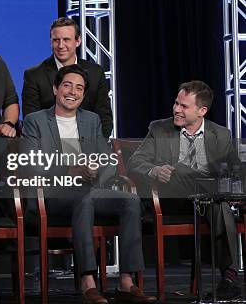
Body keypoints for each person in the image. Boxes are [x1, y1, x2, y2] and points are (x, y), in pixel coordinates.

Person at [21, 64, 155, 304]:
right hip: (51, 195)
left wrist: (96, 173)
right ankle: (88, 280)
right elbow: (30, 163)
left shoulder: (91, 120)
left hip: (88, 190)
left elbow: (107, 160)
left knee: (131, 200)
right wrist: (69, 170)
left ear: (83, 94)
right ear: (55, 89)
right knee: (85, 200)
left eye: (79, 88)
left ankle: (126, 281)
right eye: (67, 85)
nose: (73, 92)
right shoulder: (35, 121)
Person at [128, 80, 241, 300]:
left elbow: (233, 171)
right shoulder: (159, 128)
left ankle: (229, 278)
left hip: (208, 200)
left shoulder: (220, 135)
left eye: (184, 106)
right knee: (180, 172)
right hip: (173, 197)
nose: (177, 109)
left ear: (202, 111)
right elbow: (135, 161)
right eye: (176, 103)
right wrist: (154, 170)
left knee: (221, 206)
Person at [21, 17, 113, 138]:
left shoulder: (95, 72)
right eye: (56, 40)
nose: (60, 45)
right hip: (49, 148)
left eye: (66, 39)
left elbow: (104, 118)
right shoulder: (34, 75)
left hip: (88, 148)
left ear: (78, 41)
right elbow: (32, 120)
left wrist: (93, 148)